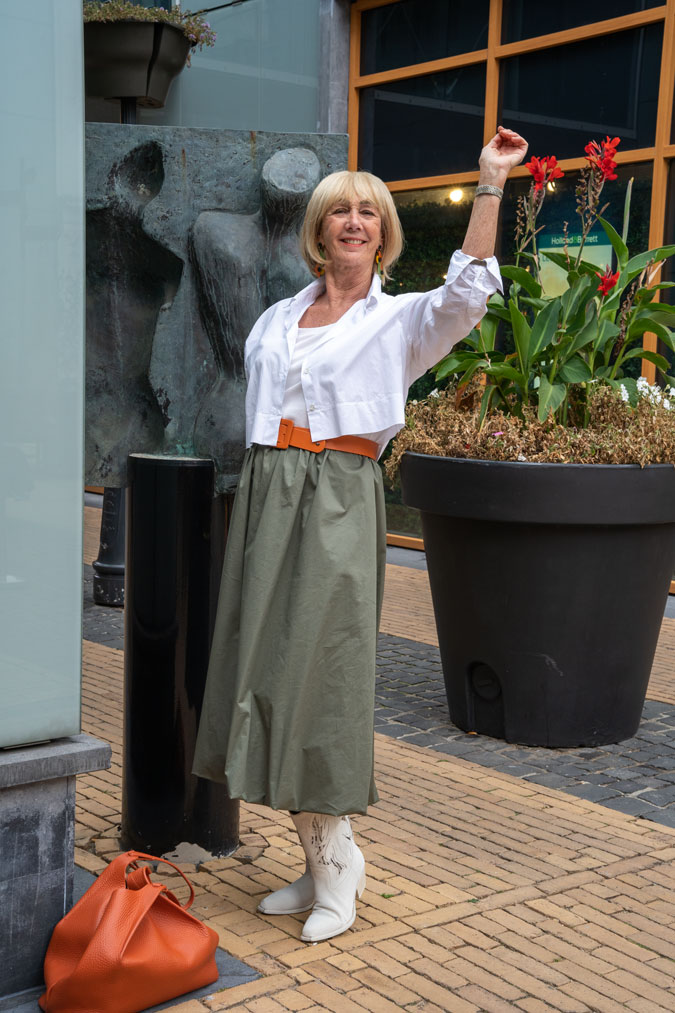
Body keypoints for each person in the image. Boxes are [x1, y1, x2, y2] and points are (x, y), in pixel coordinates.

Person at [193, 126, 528, 944]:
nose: (353, 221)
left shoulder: (403, 319)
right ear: (318, 227)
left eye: (368, 212)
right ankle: (312, 856)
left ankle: (340, 860)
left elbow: (470, 294)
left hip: (338, 497)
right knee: (265, 668)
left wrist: (489, 183)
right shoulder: (279, 315)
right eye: (338, 210)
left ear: (383, 231)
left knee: (325, 672)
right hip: (271, 491)